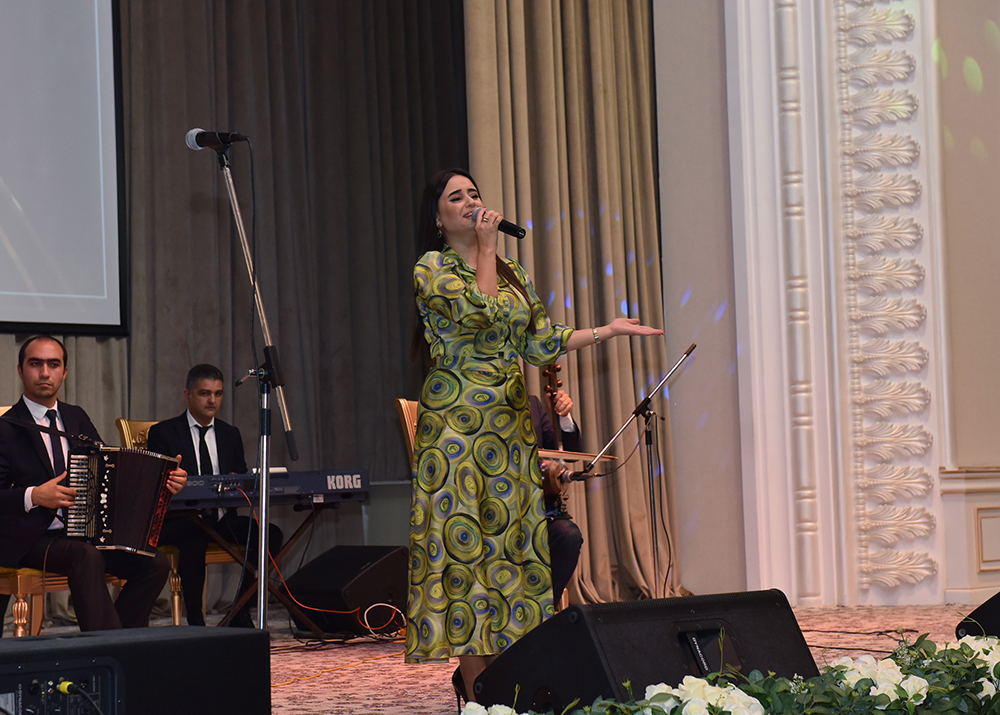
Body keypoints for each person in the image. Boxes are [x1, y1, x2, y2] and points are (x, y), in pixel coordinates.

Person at [405, 168, 663, 701]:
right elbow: (480, 314)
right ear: (438, 217)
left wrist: (607, 331)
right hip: (456, 434)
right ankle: (479, 699)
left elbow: (541, 341)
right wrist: (485, 247)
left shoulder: (510, 270)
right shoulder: (431, 269)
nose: (471, 202)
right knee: (466, 559)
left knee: (509, 554)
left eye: (475, 193)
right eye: (457, 197)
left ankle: (506, 686)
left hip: (507, 432)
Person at [0, 335, 187, 632]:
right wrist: (34, 495)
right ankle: (106, 646)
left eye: (53, 364)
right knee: (86, 556)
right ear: (21, 370)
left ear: (65, 372)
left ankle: (115, 642)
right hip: (32, 538)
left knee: (155, 564)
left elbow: (108, 473)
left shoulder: (76, 417)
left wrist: (164, 483)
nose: (45, 373)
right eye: (36, 364)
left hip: (85, 532)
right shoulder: (6, 427)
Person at [149, 364, 283, 627]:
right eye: (204, 393)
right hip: (180, 521)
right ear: (187, 395)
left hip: (221, 520)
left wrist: (236, 481)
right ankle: (196, 622)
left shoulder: (229, 434)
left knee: (271, 534)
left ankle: (240, 610)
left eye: (218, 394)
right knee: (194, 536)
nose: (212, 400)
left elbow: (242, 478)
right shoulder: (163, 432)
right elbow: (155, 485)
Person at [528, 386, 584, 605]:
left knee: (568, 536)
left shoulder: (532, 403)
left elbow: (570, 453)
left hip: (536, 513)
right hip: (496, 516)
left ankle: (542, 609)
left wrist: (564, 417)